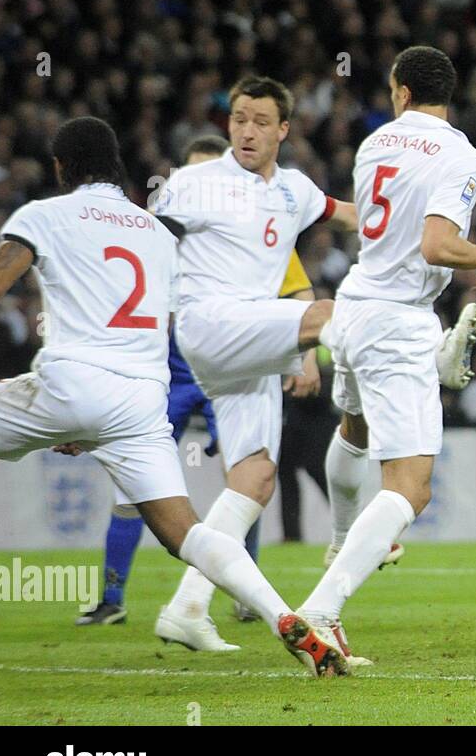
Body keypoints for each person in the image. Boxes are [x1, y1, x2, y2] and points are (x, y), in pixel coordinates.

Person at [0, 116, 347, 677]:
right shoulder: (156, 232)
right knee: (189, 533)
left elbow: (1, 276)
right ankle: (286, 617)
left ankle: (128, 599)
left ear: (62, 167)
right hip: (139, 399)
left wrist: (71, 416)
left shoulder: (44, 215)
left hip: (69, 380)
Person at [295, 45, 476, 664]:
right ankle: (320, 609)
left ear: (400, 90)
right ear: (446, 94)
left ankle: (343, 538)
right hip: (397, 321)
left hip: (350, 306)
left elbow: (382, 227)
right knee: (411, 488)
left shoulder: (374, 143)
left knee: (354, 429)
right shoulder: (462, 155)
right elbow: (436, 246)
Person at [151, 76, 360, 651]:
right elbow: (149, 243)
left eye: (260, 121)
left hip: (250, 343)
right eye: (239, 118)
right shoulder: (194, 183)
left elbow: (349, 213)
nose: (246, 129)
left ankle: (188, 605)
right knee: (321, 315)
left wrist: (417, 224)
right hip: (208, 322)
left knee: (256, 475)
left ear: (283, 130)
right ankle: (423, 359)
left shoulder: (294, 190)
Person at [75, 134, 318, 626]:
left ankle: (244, 593)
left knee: (245, 475)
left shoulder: (255, 231)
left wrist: (307, 358)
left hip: (231, 367)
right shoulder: (159, 229)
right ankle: (112, 598)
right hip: (169, 371)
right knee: (133, 482)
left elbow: (298, 289)